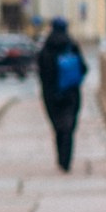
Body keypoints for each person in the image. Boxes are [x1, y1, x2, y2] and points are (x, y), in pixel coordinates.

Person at [36, 16, 87, 172]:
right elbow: (84, 68)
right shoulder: (71, 45)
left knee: (57, 126)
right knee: (69, 127)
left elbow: (41, 71)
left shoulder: (45, 47)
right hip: (71, 92)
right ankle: (66, 160)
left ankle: (60, 158)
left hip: (51, 94)